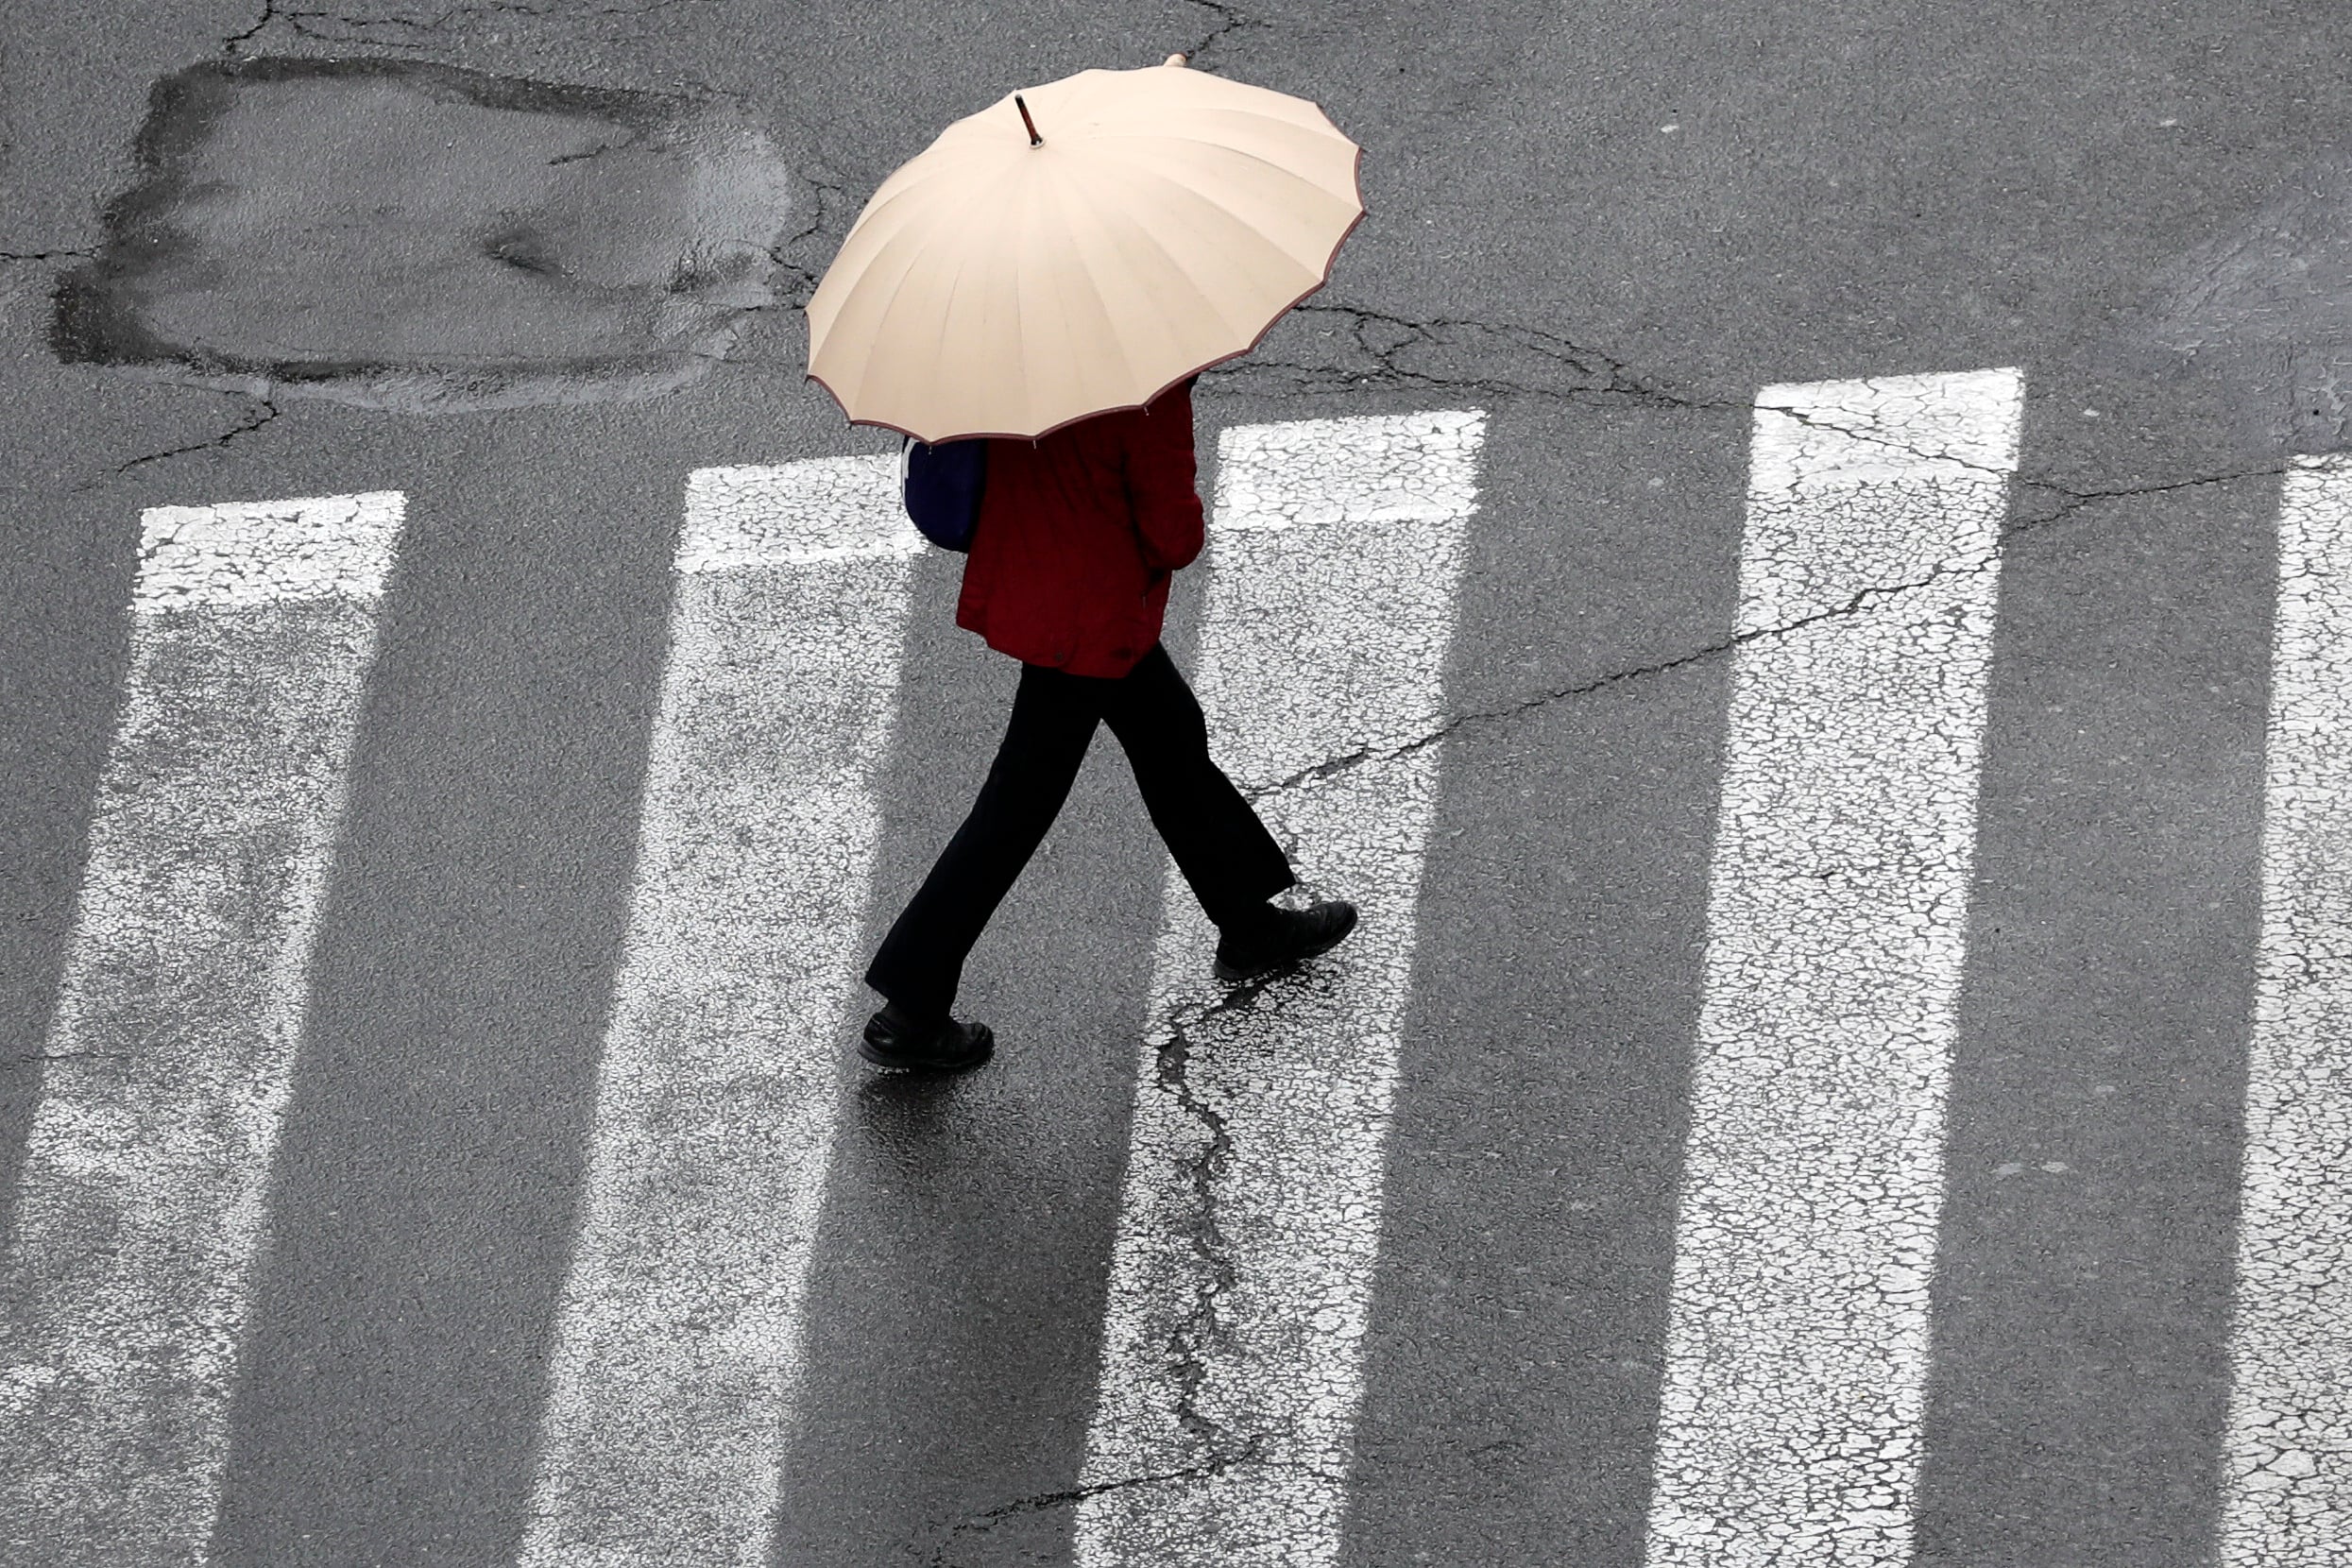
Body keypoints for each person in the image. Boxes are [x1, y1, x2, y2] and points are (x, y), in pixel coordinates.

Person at [860, 376, 1357, 1070]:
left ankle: (1248, 922)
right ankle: (910, 1006)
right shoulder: (1147, 388)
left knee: (1171, 742)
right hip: (1094, 616)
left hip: (1042, 585)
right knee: (1016, 809)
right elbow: (1173, 536)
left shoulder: (1012, 350)